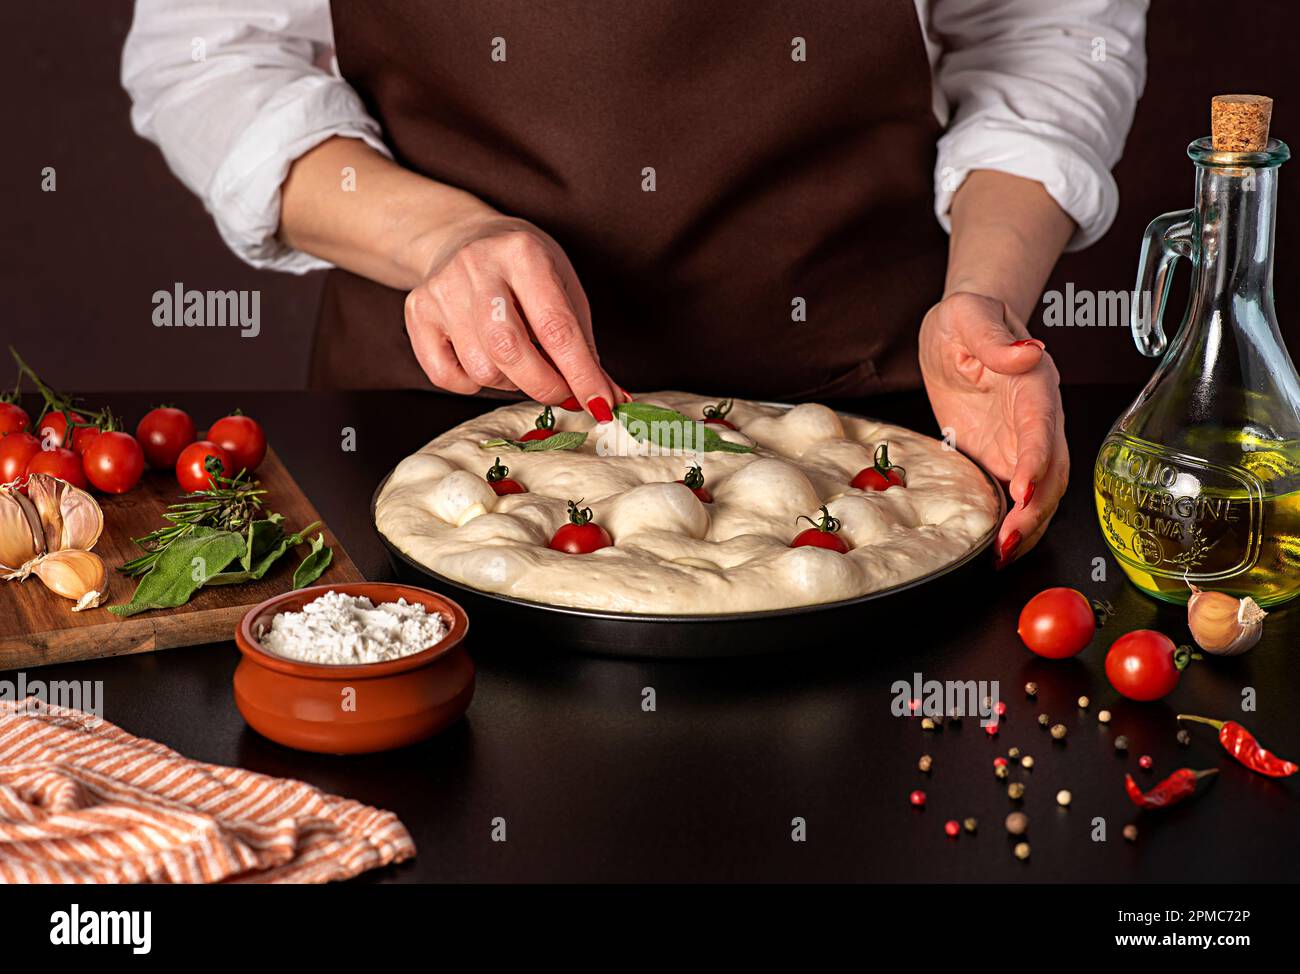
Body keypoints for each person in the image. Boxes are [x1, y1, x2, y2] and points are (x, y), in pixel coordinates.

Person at [122, 1, 1147, 565]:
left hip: (872, 435)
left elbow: (1045, 30)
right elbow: (212, 56)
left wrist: (986, 301)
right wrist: (442, 236)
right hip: (433, 425)